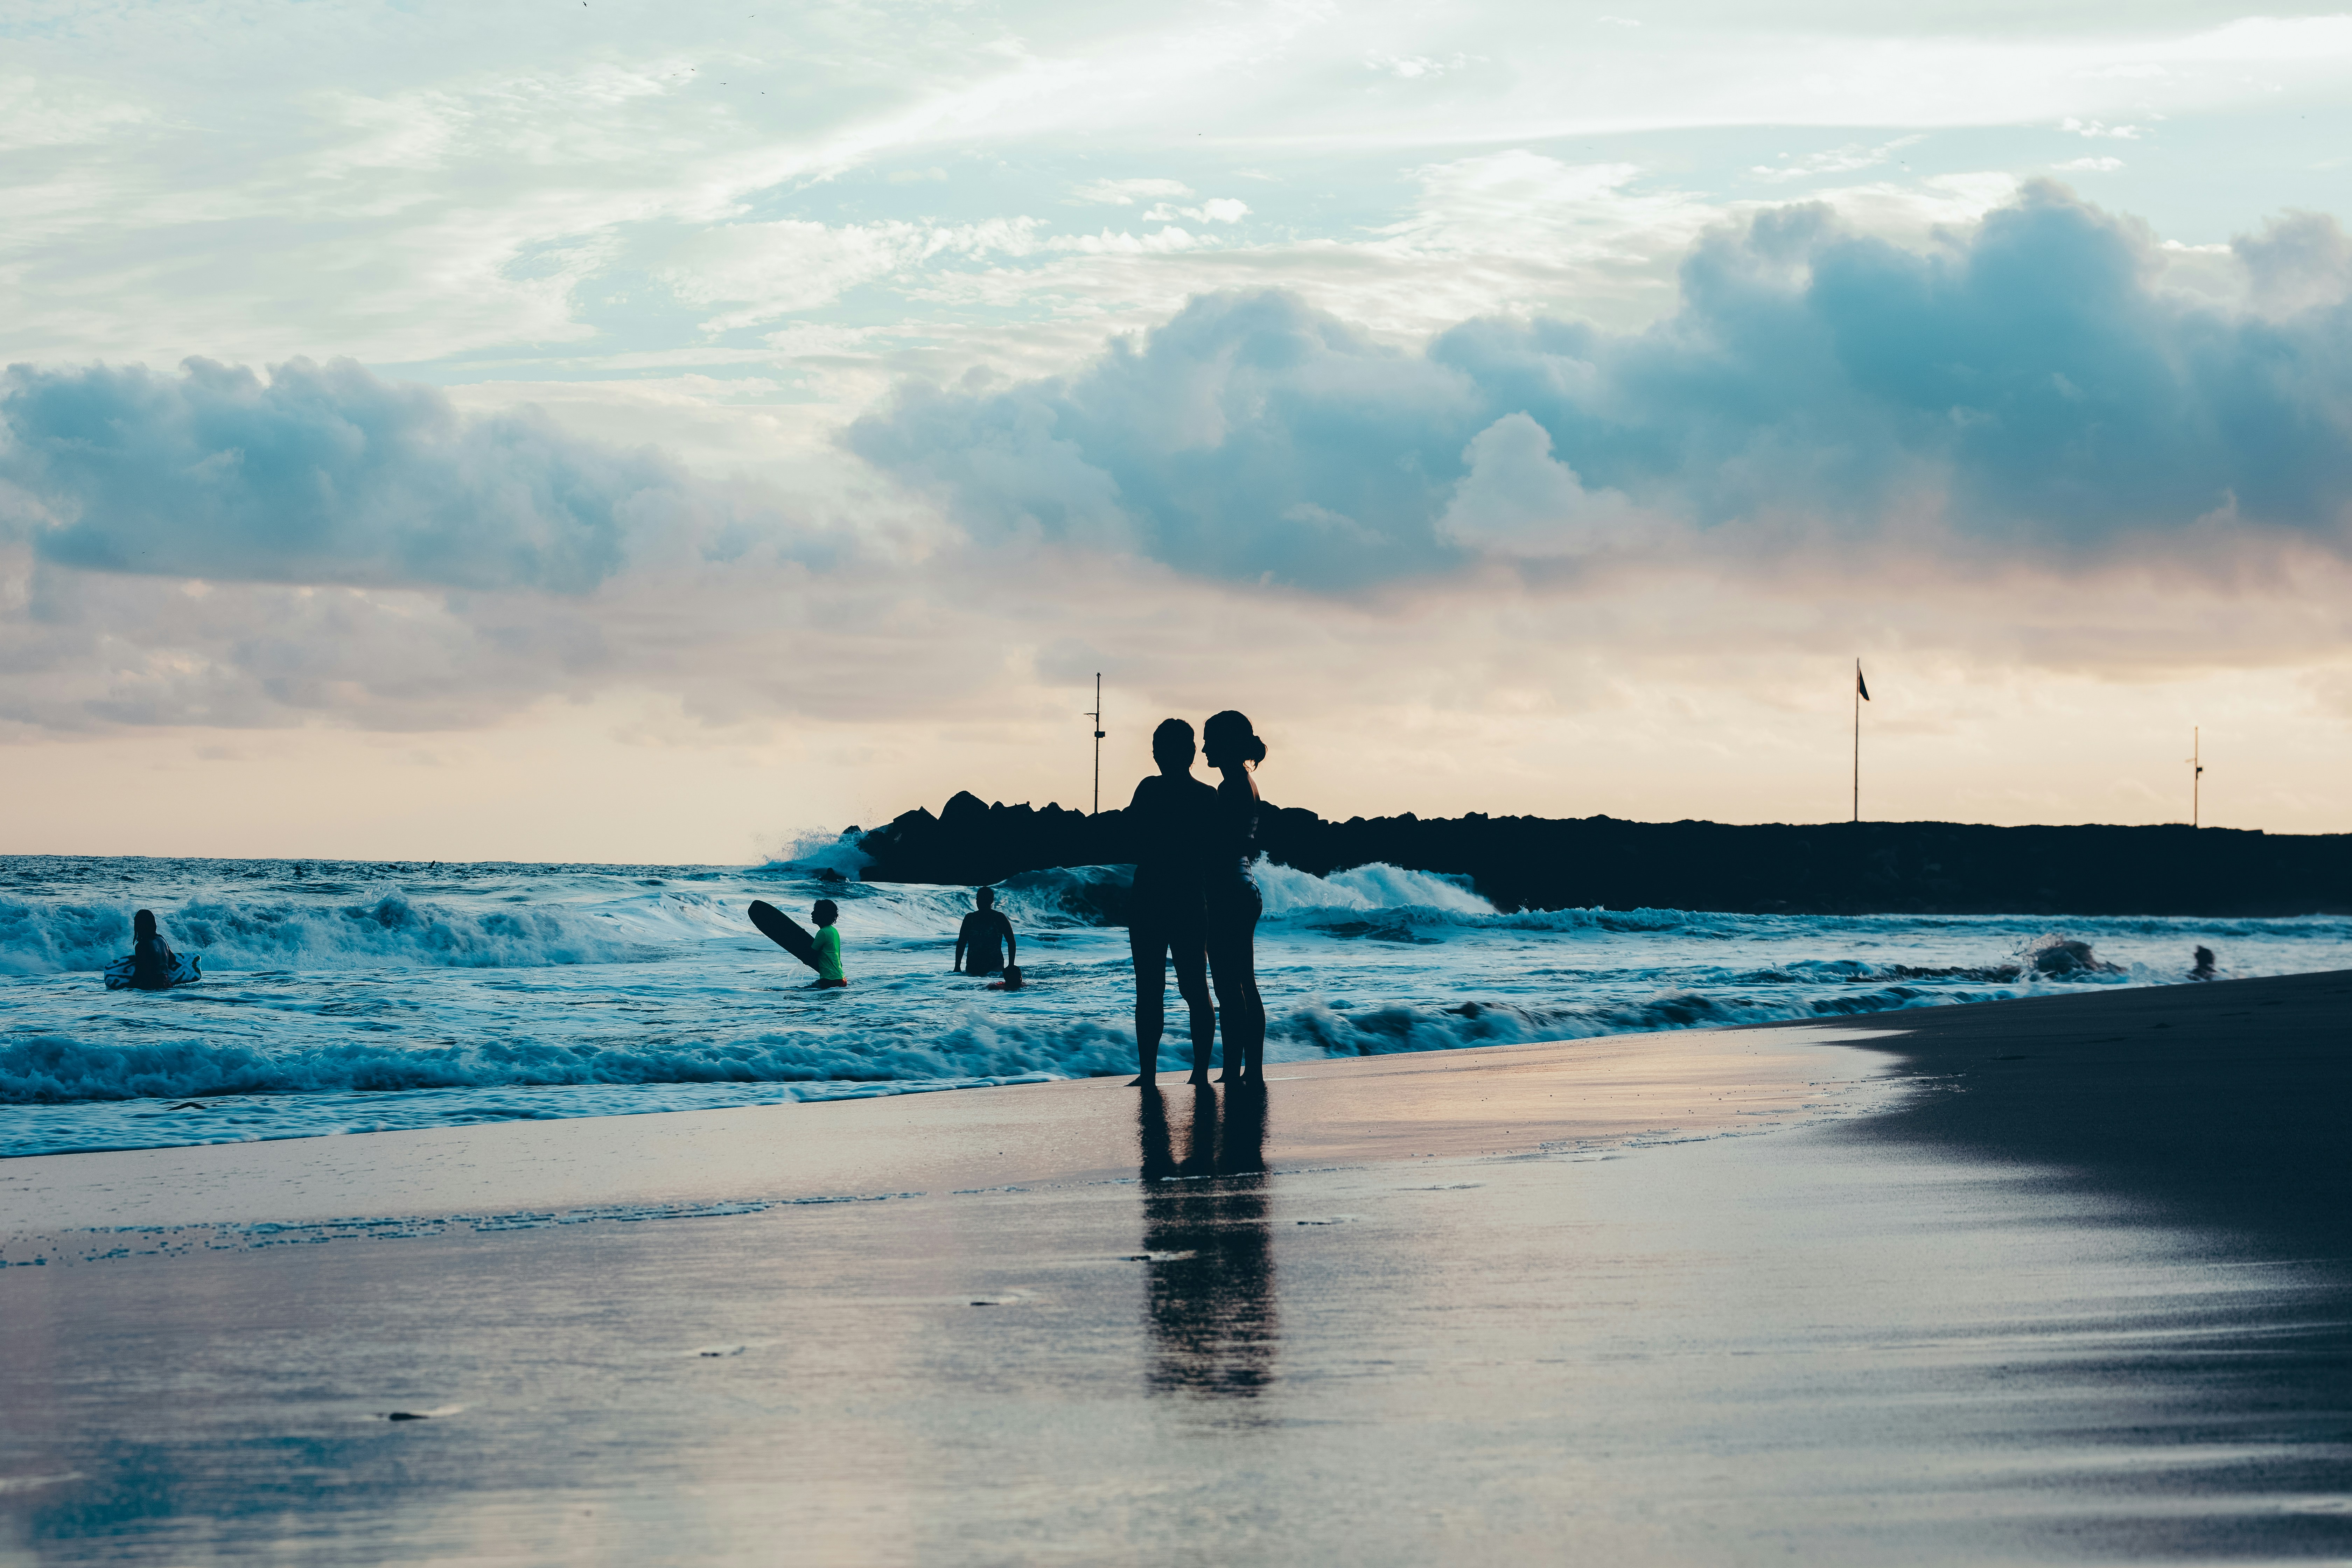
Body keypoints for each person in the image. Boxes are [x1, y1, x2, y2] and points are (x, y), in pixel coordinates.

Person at [1127, 718, 1219, 1086]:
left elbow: (1131, 838)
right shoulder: (1207, 796)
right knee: (1194, 986)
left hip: (1150, 896)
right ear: (1193, 753)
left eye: (1158, 747)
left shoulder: (1149, 789)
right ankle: (1199, 1072)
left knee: (1150, 988)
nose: (1156, 754)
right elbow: (1214, 854)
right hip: (1189, 898)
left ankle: (1148, 1074)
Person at [1202, 709, 1268, 1085]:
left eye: (1211, 739)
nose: (1205, 747)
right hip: (1245, 887)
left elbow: (1216, 847)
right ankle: (1251, 1069)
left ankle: (1232, 1070)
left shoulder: (1229, 789)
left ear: (1227, 743)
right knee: (1245, 982)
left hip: (1228, 891)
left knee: (1230, 986)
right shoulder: (1246, 783)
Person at [954, 887, 1018, 977]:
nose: (980, 902)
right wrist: (957, 967)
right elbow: (961, 943)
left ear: (991, 901)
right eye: (979, 899)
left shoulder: (999, 918)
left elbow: (1011, 942)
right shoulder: (970, 918)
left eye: (984, 899)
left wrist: (1011, 965)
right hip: (973, 967)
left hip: (995, 967)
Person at [128, 909, 177, 992]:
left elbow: (140, 972)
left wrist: (129, 988)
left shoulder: (141, 945)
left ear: (139, 926)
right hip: (167, 985)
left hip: (150, 987)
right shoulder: (162, 940)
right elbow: (173, 959)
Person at [810, 899, 848, 989]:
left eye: (815, 911)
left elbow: (811, 954)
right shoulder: (833, 931)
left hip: (831, 981)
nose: (812, 914)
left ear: (822, 915)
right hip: (841, 978)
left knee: (799, 994)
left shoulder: (823, 933)